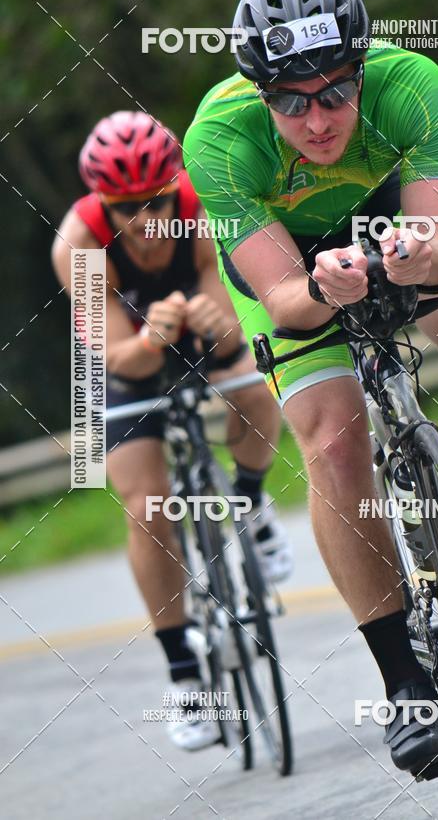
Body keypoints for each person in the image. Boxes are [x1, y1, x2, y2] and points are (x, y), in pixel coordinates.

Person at [183, 0, 438, 774]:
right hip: (290, 264)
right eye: (289, 101)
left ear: (361, 68)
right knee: (332, 441)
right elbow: (283, 299)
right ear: (259, 95)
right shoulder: (217, 139)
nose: (316, 119)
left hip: (389, 220)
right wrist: (322, 287)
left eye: (334, 92)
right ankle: (405, 684)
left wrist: (419, 257)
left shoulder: (410, 82)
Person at [51, 110, 292, 750]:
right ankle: (185, 676)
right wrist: (150, 337)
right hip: (121, 357)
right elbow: (117, 359)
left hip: (199, 330)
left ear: (175, 188)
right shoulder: (78, 244)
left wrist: (218, 326)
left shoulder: (202, 207)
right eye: (127, 207)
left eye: (157, 201)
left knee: (254, 387)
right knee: (146, 508)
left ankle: (250, 500)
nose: (146, 220)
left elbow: (236, 334)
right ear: (103, 202)